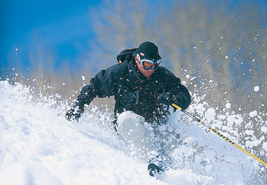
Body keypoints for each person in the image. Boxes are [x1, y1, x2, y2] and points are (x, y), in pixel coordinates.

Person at [65, 41, 191, 176]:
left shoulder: (162, 76)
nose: (151, 69)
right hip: (130, 129)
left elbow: (184, 96)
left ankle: (184, 169)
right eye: (148, 64)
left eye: (155, 65)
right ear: (138, 60)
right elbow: (94, 86)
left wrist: (173, 99)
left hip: (157, 127)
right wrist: (78, 107)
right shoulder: (120, 73)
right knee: (126, 118)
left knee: (172, 131)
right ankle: (154, 158)